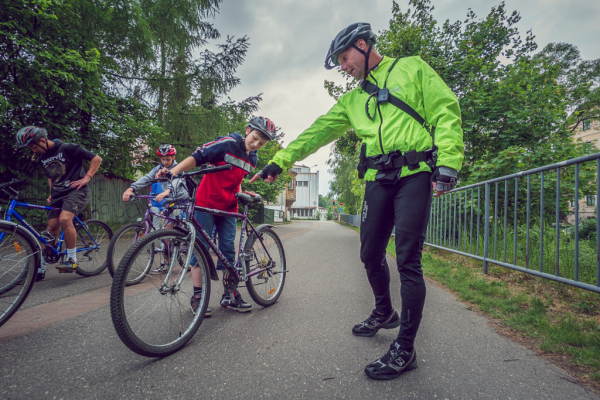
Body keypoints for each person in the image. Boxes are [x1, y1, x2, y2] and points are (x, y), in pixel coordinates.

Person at [250, 23, 464, 380]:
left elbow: (445, 109)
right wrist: (281, 161)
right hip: (377, 179)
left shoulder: (411, 67)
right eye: (340, 62)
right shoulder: (351, 99)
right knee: (369, 254)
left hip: (415, 174)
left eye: (345, 58)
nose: (343, 67)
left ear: (363, 46)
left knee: (409, 260)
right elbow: (317, 131)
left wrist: (449, 164)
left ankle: (405, 348)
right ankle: (384, 312)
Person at [159, 117, 276, 316]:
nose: (256, 144)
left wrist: (242, 191)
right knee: (201, 248)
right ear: (248, 130)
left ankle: (229, 295)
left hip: (230, 206)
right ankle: (198, 296)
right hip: (206, 203)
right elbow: (199, 156)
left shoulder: (253, 158)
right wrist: (173, 171)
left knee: (227, 249)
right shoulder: (228, 143)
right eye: (255, 138)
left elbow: (236, 178)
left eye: (261, 143)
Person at [15, 126, 103, 281]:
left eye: (34, 146)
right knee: (49, 231)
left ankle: (72, 260)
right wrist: (52, 193)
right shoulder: (42, 157)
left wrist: (87, 177)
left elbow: (96, 159)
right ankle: (40, 270)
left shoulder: (68, 148)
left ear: (43, 140)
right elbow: (50, 176)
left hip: (77, 191)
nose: (33, 151)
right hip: (59, 195)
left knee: (64, 219)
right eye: (31, 148)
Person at [122, 144, 188, 274]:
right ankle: (166, 263)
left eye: (168, 159)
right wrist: (131, 188)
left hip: (181, 202)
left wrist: (166, 192)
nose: (165, 162)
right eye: (163, 159)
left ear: (173, 157)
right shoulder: (158, 169)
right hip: (168, 202)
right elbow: (146, 178)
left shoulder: (179, 168)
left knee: (181, 230)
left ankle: (191, 254)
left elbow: (176, 183)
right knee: (165, 234)